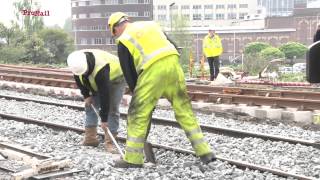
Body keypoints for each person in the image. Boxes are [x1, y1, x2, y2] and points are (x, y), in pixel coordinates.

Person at [107, 12, 216, 168]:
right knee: (184, 111)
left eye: (114, 34)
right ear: (127, 20)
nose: (116, 36)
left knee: (137, 115)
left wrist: (140, 99)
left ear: (115, 29)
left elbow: (129, 74)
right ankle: (205, 153)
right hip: (173, 64)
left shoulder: (124, 40)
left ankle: (132, 159)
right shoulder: (152, 25)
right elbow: (173, 44)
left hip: (153, 71)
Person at [67, 49, 125, 153]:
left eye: (85, 72)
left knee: (112, 109)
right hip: (98, 79)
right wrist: (86, 95)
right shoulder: (77, 64)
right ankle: (90, 139)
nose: (83, 73)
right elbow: (79, 81)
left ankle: (110, 143)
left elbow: (104, 95)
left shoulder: (100, 68)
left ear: (87, 65)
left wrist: (104, 120)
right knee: (90, 106)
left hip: (116, 78)